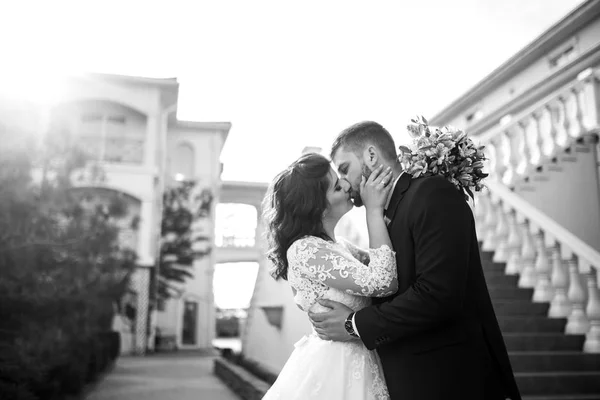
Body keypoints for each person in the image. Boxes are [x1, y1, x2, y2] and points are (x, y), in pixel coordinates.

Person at [309, 121, 522, 400]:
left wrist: (354, 324)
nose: (344, 182)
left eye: (345, 168)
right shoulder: (387, 214)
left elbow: (438, 295)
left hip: (450, 381)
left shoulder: (431, 194)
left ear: (371, 156)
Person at [261, 152, 399, 400]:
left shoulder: (342, 247)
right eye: (337, 186)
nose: (346, 185)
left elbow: (386, 260)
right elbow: (383, 282)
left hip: (361, 361)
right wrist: (373, 211)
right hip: (334, 370)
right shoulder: (305, 250)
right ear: (317, 206)